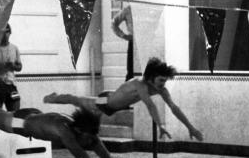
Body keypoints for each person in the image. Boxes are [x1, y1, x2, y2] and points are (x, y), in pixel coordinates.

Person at [43, 57, 204, 141]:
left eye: (165, 81)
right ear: (151, 77)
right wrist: (160, 125)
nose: (163, 84)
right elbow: (150, 106)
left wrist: (191, 127)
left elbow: (174, 108)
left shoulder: (161, 90)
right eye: (161, 80)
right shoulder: (140, 84)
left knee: (88, 124)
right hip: (105, 101)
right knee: (76, 100)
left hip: (114, 107)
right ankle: (53, 98)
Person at [112, 0, 133, 81]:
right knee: (131, 71)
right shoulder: (127, 10)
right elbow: (114, 23)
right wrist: (123, 35)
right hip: (133, 42)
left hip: (146, 43)